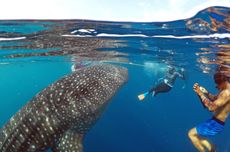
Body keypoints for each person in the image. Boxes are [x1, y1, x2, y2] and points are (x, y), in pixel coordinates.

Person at [188, 72, 230, 152]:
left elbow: (212, 107)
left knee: (191, 134)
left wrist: (200, 93)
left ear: (223, 82)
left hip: (216, 124)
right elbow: (215, 99)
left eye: (217, 84)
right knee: (195, 135)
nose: (216, 86)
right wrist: (206, 92)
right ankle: (213, 149)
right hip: (215, 122)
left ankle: (212, 149)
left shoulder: (227, 93)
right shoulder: (225, 90)